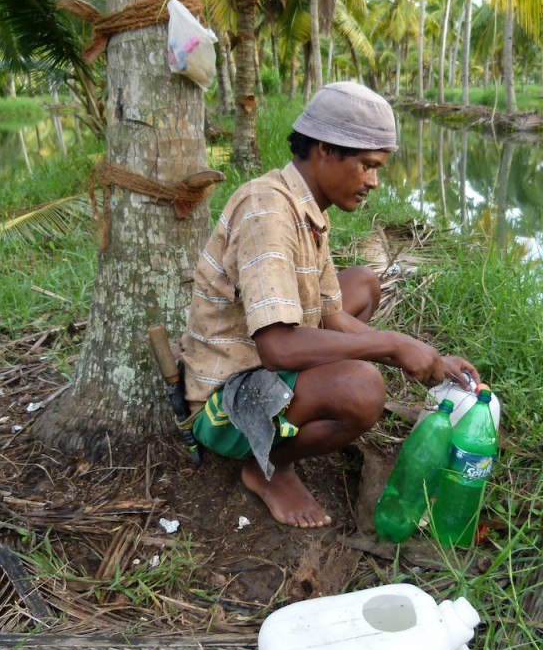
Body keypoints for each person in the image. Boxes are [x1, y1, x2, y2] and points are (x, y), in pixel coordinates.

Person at [179, 81, 478, 529]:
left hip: (264, 357)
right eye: (366, 166)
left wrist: (421, 354)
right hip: (227, 396)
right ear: (324, 150)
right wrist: (392, 348)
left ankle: (296, 416)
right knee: (362, 388)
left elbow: (333, 315)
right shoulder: (268, 213)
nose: (374, 181)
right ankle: (267, 467)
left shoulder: (307, 209)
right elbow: (277, 348)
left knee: (363, 284)